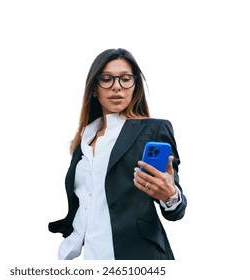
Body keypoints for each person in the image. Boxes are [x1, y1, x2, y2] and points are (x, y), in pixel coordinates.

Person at [48, 48, 187, 260]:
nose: (116, 87)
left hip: (138, 258)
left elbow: (175, 209)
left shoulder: (153, 130)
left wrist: (170, 196)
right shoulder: (84, 140)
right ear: (94, 88)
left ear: (135, 87)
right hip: (86, 256)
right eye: (106, 79)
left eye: (125, 79)